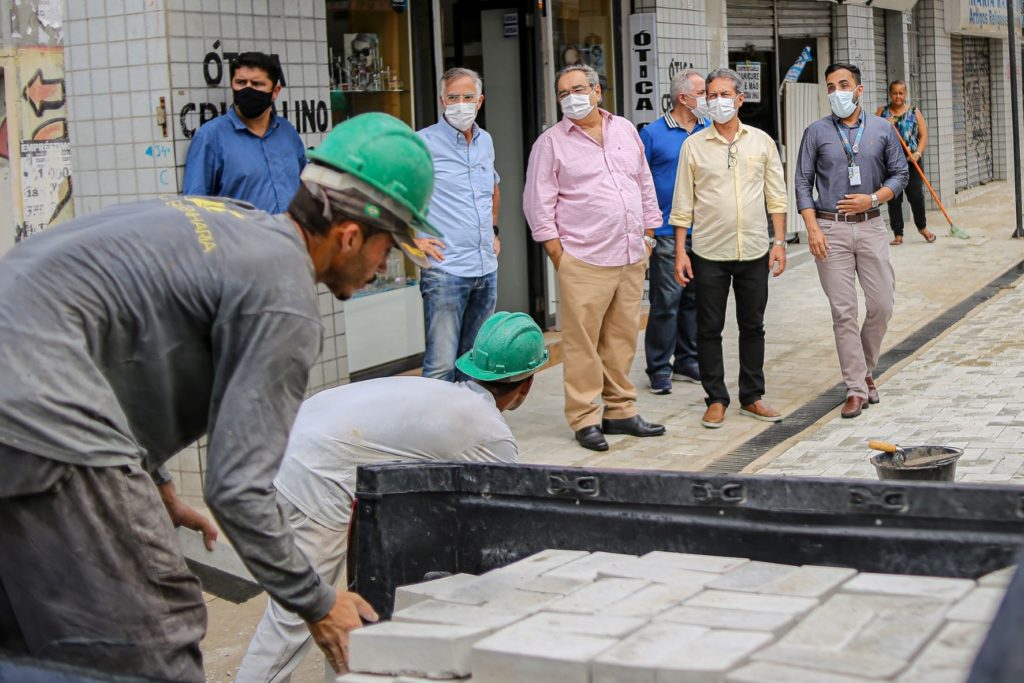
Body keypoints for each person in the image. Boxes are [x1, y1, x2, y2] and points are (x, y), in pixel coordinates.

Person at [0, 113, 443, 681]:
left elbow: (118, 336)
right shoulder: (284, 300)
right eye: (389, 248)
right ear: (351, 235)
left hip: (27, 400)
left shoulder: (231, 224)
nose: (386, 265)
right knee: (158, 632)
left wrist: (154, 484)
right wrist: (318, 602)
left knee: (34, 642)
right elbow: (237, 492)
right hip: (39, 416)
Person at [235, 311, 546, 682]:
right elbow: (503, 516)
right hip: (315, 472)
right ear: (526, 385)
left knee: (355, 592)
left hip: (290, 439)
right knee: (296, 614)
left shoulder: (442, 392)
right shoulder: (489, 432)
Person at [523, 63, 665, 452]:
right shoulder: (550, 143)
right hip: (583, 258)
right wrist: (559, 256)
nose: (572, 97)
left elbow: (643, 181)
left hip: (631, 253)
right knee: (582, 345)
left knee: (621, 340)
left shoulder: (624, 130)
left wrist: (650, 231)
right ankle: (585, 418)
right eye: (564, 93)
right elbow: (539, 205)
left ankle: (620, 411)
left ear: (598, 91)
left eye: (579, 89)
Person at [670, 67, 788, 430]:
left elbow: (776, 197)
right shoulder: (693, 146)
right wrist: (680, 251)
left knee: (753, 325)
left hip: (754, 250)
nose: (717, 101)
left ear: (740, 99)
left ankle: (751, 396)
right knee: (709, 328)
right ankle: (716, 398)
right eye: (711, 94)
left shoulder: (762, 142)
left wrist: (779, 242)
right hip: (708, 253)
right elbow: (682, 203)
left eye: (725, 94)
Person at [795, 63, 908, 418]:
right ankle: (856, 388)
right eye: (830, 87)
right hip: (830, 229)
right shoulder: (815, 132)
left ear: (859, 90)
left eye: (843, 85)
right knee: (843, 312)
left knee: (882, 304)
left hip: (872, 224)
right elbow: (802, 182)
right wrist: (812, 228)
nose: (836, 92)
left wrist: (873, 199)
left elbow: (900, 173)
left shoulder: (883, 129)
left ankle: (865, 369)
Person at [414, 68, 501, 382]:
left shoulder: (485, 141)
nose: (460, 103)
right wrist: (413, 239)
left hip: (485, 268)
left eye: (467, 97)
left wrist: (493, 230)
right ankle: (436, 431)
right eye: (453, 97)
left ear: (480, 101)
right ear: (441, 101)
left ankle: (467, 428)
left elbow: (493, 186)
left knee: (476, 362)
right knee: (440, 365)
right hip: (445, 270)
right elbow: (393, 193)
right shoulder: (421, 143)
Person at [640, 69, 709, 395]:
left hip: (704, 230)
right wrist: (647, 229)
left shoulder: (709, 130)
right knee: (666, 301)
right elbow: (638, 180)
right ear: (683, 97)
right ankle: (658, 367)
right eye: (703, 93)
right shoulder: (652, 134)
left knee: (695, 300)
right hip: (667, 231)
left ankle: (687, 359)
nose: (709, 99)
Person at [182, 51, 306, 214]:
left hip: (290, 236)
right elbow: (195, 205)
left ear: (275, 91)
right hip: (240, 238)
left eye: (257, 84)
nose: (248, 89)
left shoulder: (287, 132)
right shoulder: (211, 137)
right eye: (241, 82)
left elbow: (305, 187)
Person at [875, 80, 935, 245]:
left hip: (912, 161)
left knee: (916, 196)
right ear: (890, 94)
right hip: (891, 164)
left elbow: (923, 135)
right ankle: (898, 234)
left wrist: (918, 153)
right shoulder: (882, 113)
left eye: (901, 93)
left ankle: (922, 227)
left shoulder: (914, 112)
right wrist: (884, 125)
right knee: (894, 198)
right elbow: (872, 134)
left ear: (905, 93)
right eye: (894, 93)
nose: (898, 96)